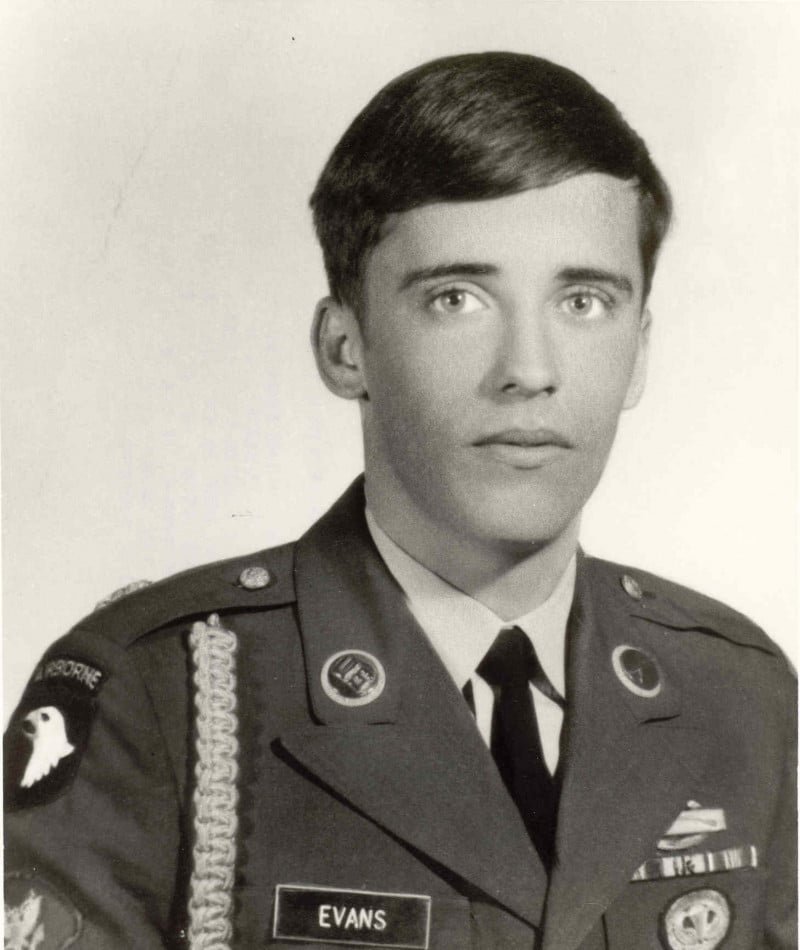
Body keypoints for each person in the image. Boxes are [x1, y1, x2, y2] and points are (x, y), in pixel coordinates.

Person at [4, 52, 795, 950]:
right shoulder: (158, 698)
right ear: (345, 348)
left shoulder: (738, 695)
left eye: (583, 301)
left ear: (639, 351)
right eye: (457, 298)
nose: (529, 370)